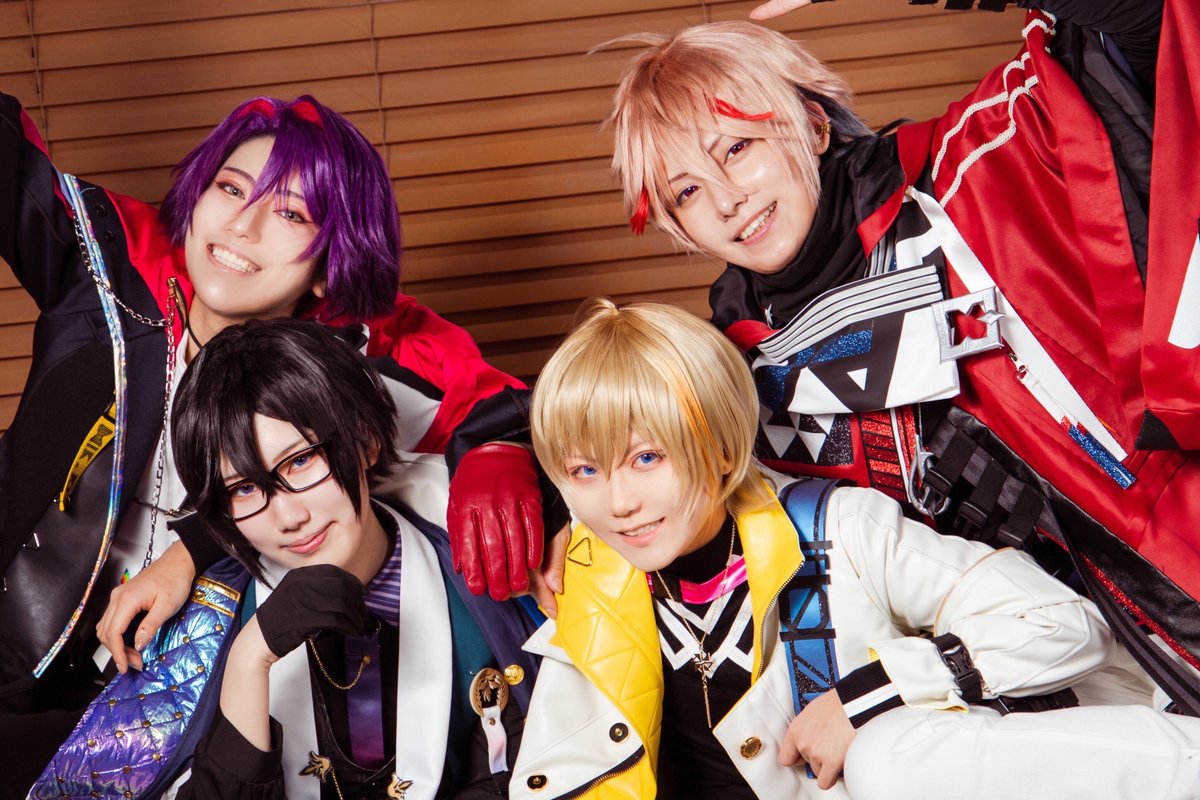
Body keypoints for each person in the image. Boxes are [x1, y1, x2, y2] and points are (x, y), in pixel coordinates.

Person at [598, 2, 1200, 708]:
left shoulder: (983, 162)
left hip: (1177, 556)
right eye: (687, 191)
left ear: (812, 125)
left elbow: (1147, 30)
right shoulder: (734, 380)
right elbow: (608, 454)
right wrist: (515, 467)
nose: (727, 199)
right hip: (1023, 685)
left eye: (737, 149)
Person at [0, 90, 551, 792]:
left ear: (328, 265)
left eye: (290, 213)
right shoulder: (114, 272)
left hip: (178, 694)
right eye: (230, 189)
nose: (243, 224)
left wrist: (500, 453)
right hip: (16, 644)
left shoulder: (349, 358)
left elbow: (514, 408)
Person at [512, 297, 1200, 800]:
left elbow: (1066, 622)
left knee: (885, 754)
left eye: (646, 458)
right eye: (585, 470)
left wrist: (872, 694)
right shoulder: (589, 591)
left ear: (721, 447)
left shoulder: (838, 528)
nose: (619, 503)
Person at [155, 318, 532, 799]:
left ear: (365, 442)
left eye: (301, 461)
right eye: (244, 488)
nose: (289, 517)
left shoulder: (473, 581)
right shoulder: (207, 618)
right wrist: (249, 660)